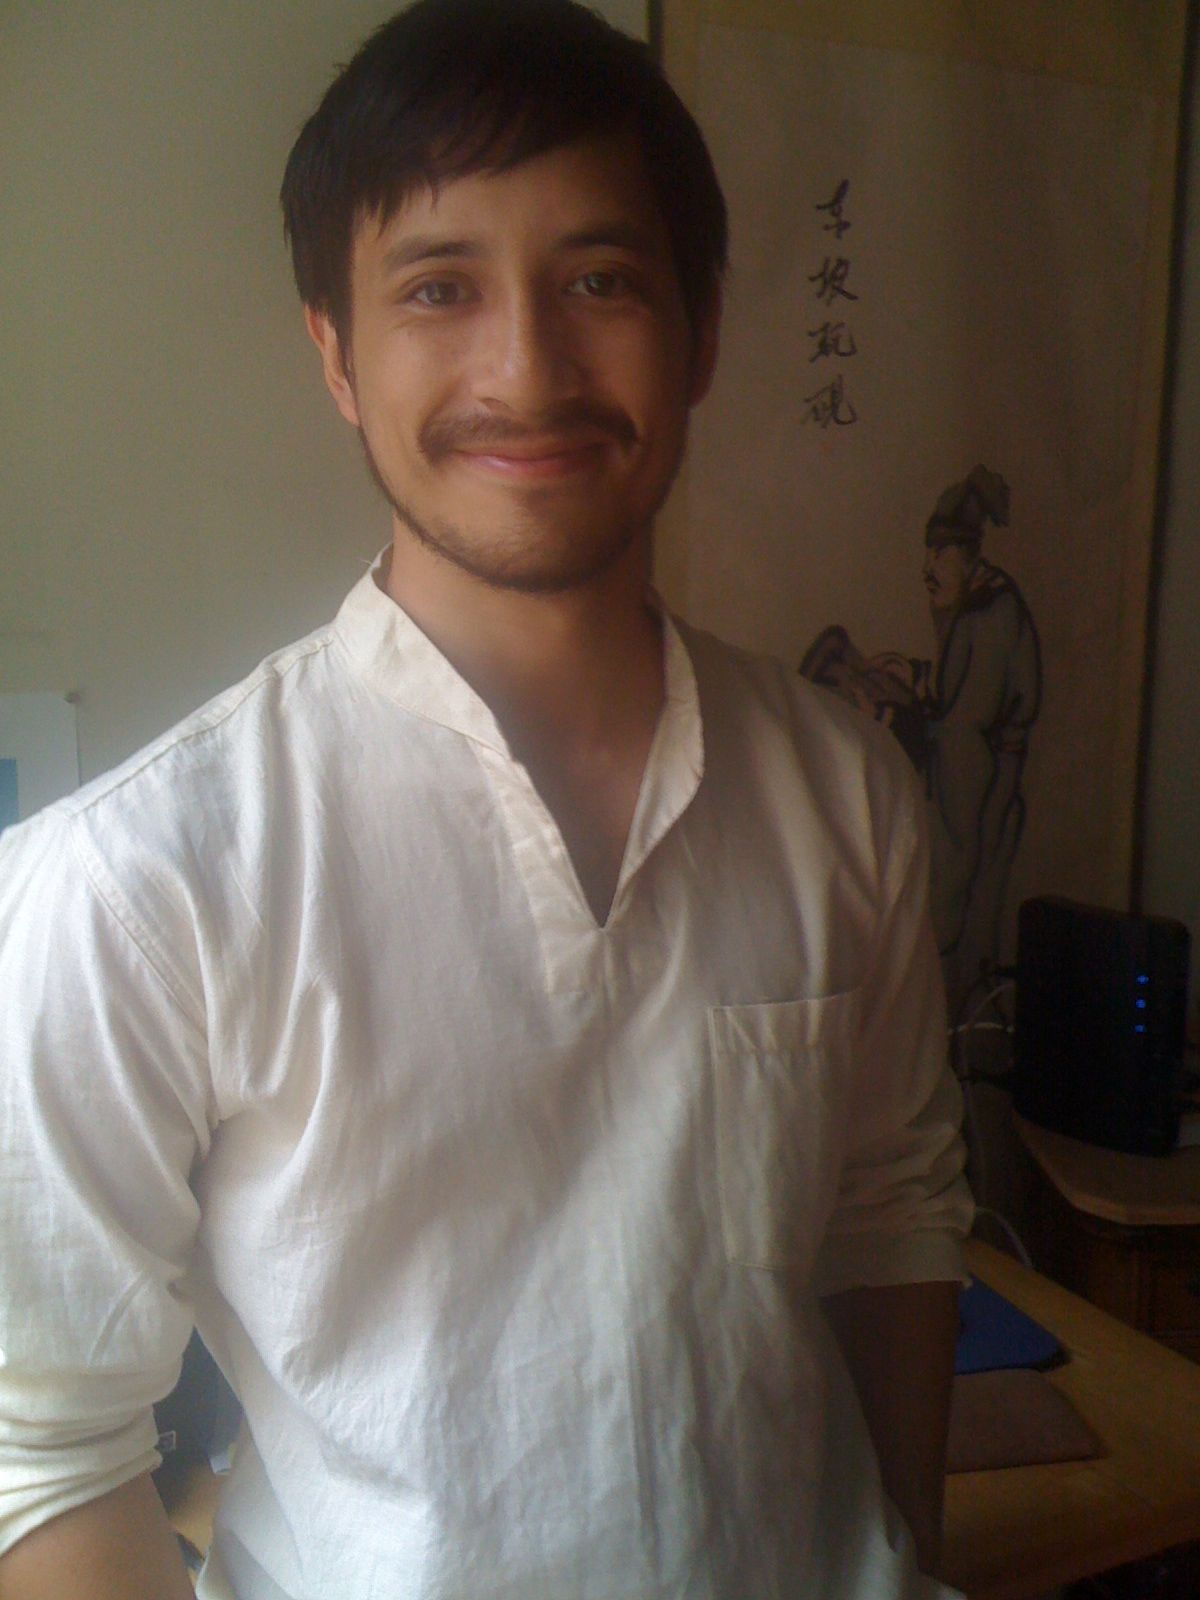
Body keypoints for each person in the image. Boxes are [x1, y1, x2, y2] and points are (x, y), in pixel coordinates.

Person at [0, 4, 972, 1597]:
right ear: (337, 353)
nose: (527, 370)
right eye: (439, 287)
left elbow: (891, 1217)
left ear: (701, 332)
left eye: (602, 281)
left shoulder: (846, 792)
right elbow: (40, 1449)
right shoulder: (141, 881)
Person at [920, 467, 1042, 1010]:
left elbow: (965, 730)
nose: (928, 569)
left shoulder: (990, 615)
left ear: (968, 556)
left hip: (981, 796)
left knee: (966, 939)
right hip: (980, 787)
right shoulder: (976, 609)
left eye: (940, 553)